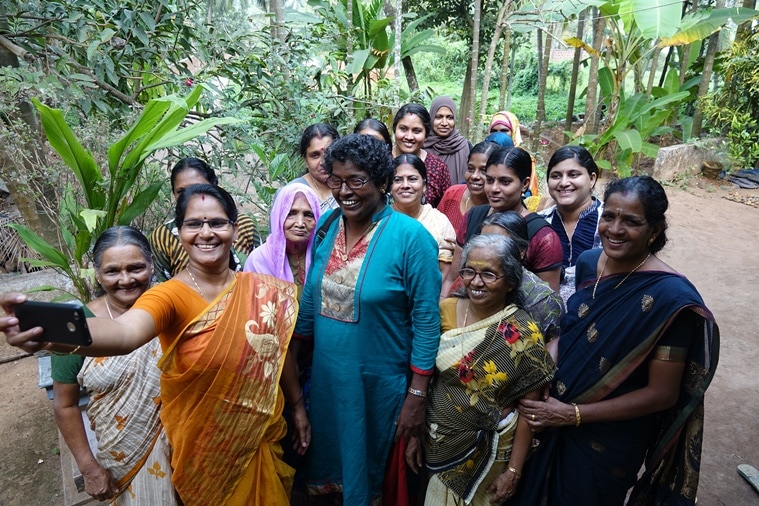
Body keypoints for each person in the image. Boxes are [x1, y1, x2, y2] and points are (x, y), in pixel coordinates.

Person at [5, 184, 309, 505]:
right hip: (205, 453)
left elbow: (278, 353)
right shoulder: (168, 296)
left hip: (260, 439)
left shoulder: (261, 289)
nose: (206, 233)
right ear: (179, 232)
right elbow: (125, 334)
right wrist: (55, 334)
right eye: (194, 224)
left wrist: (298, 405)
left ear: (234, 228)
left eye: (217, 223)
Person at [512, 176, 720, 505]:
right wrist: (542, 373)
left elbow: (662, 394)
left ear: (655, 229)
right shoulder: (587, 263)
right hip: (550, 415)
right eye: (609, 216)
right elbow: (572, 331)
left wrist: (572, 414)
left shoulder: (670, 299)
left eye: (631, 221)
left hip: (607, 439)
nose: (615, 229)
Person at [293, 134, 441, 505]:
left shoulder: (412, 239)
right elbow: (311, 297)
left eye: (356, 180)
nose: (345, 191)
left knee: (373, 481)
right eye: (336, 180)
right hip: (329, 385)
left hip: (380, 390)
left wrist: (416, 396)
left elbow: (426, 320)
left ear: (381, 181)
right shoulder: (327, 226)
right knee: (329, 478)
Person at [406, 234, 555, 505]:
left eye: (489, 274)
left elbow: (528, 411)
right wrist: (415, 437)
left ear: (510, 280)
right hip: (436, 441)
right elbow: (429, 383)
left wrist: (513, 472)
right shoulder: (445, 311)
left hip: (487, 454)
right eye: (469, 271)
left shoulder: (523, 333)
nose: (476, 282)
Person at [52, 226, 176, 505]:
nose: (126, 279)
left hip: (189, 449)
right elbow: (65, 404)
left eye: (135, 268)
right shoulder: (76, 326)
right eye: (112, 271)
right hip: (123, 457)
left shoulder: (175, 307)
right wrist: (88, 467)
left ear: (151, 265)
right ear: (97, 273)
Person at [456, 146, 562, 291]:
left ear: (524, 184)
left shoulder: (543, 236)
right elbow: (453, 277)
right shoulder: (472, 217)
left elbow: (547, 302)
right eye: (490, 180)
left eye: (505, 182)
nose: (494, 188)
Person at [150, 157, 261, 281]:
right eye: (181, 192)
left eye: (198, 188)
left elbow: (260, 269)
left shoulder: (244, 225)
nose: (190, 196)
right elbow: (160, 281)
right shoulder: (163, 235)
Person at [480, 212, 564, 343]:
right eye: (481, 244)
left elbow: (548, 354)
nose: (486, 253)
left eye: (497, 246)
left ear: (521, 251)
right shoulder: (471, 281)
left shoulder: (543, 301)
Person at [539, 145, 603, 304]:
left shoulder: (611, 224)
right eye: (556, 176)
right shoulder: (538, 223)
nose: (564, 183)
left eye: (573, 175)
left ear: (592, 179)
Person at [243, 183, 321, 298]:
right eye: (291, 214)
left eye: (308, 215)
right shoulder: (259, 260)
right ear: (279, 215)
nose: (300, 223)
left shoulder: (323, 256)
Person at [392, 153, 456, 288]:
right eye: (397, 180)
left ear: (425, 185)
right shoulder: (381, 220)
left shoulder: (439, 222)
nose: (405, 185)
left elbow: (444, 271)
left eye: (412, 179)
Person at [392, 103, 452, 208]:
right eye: (403, 129)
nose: (409, 137)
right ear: (394, 129)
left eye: (417, 131)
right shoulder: (381, 161)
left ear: (426, 135)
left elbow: (445, 208)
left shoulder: (438, 168)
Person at [437, 141, 500, 233]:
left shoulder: (499, 208)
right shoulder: (452, 194)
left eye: (483, 171)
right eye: (470, 169)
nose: (474, 176)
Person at [489, 112, 540, 206]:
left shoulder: (525, 159)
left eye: (504, 130)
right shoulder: (482, 155)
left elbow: (530, 192)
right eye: (494, 131)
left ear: (514, 132)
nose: (499, 134)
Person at [288, 123, 341, 213]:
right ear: (305, 160)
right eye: (315, 155)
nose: (323, 162)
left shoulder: (350, 186)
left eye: (328, 153)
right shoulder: (292, 193)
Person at [424, 96, 471, 184]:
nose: (444, 123)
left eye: (450, 117)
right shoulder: (422, 145)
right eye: (438, 117)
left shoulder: (463, 146)